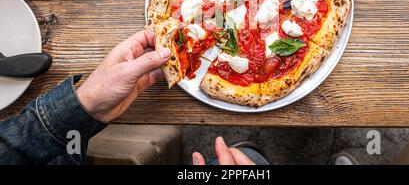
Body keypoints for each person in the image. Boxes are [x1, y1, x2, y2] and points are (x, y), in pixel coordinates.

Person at [0, 29, 255, 165]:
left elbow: (11, 149)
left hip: (63, 146)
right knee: (252, 161)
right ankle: (251, 152)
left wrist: (85, 104)